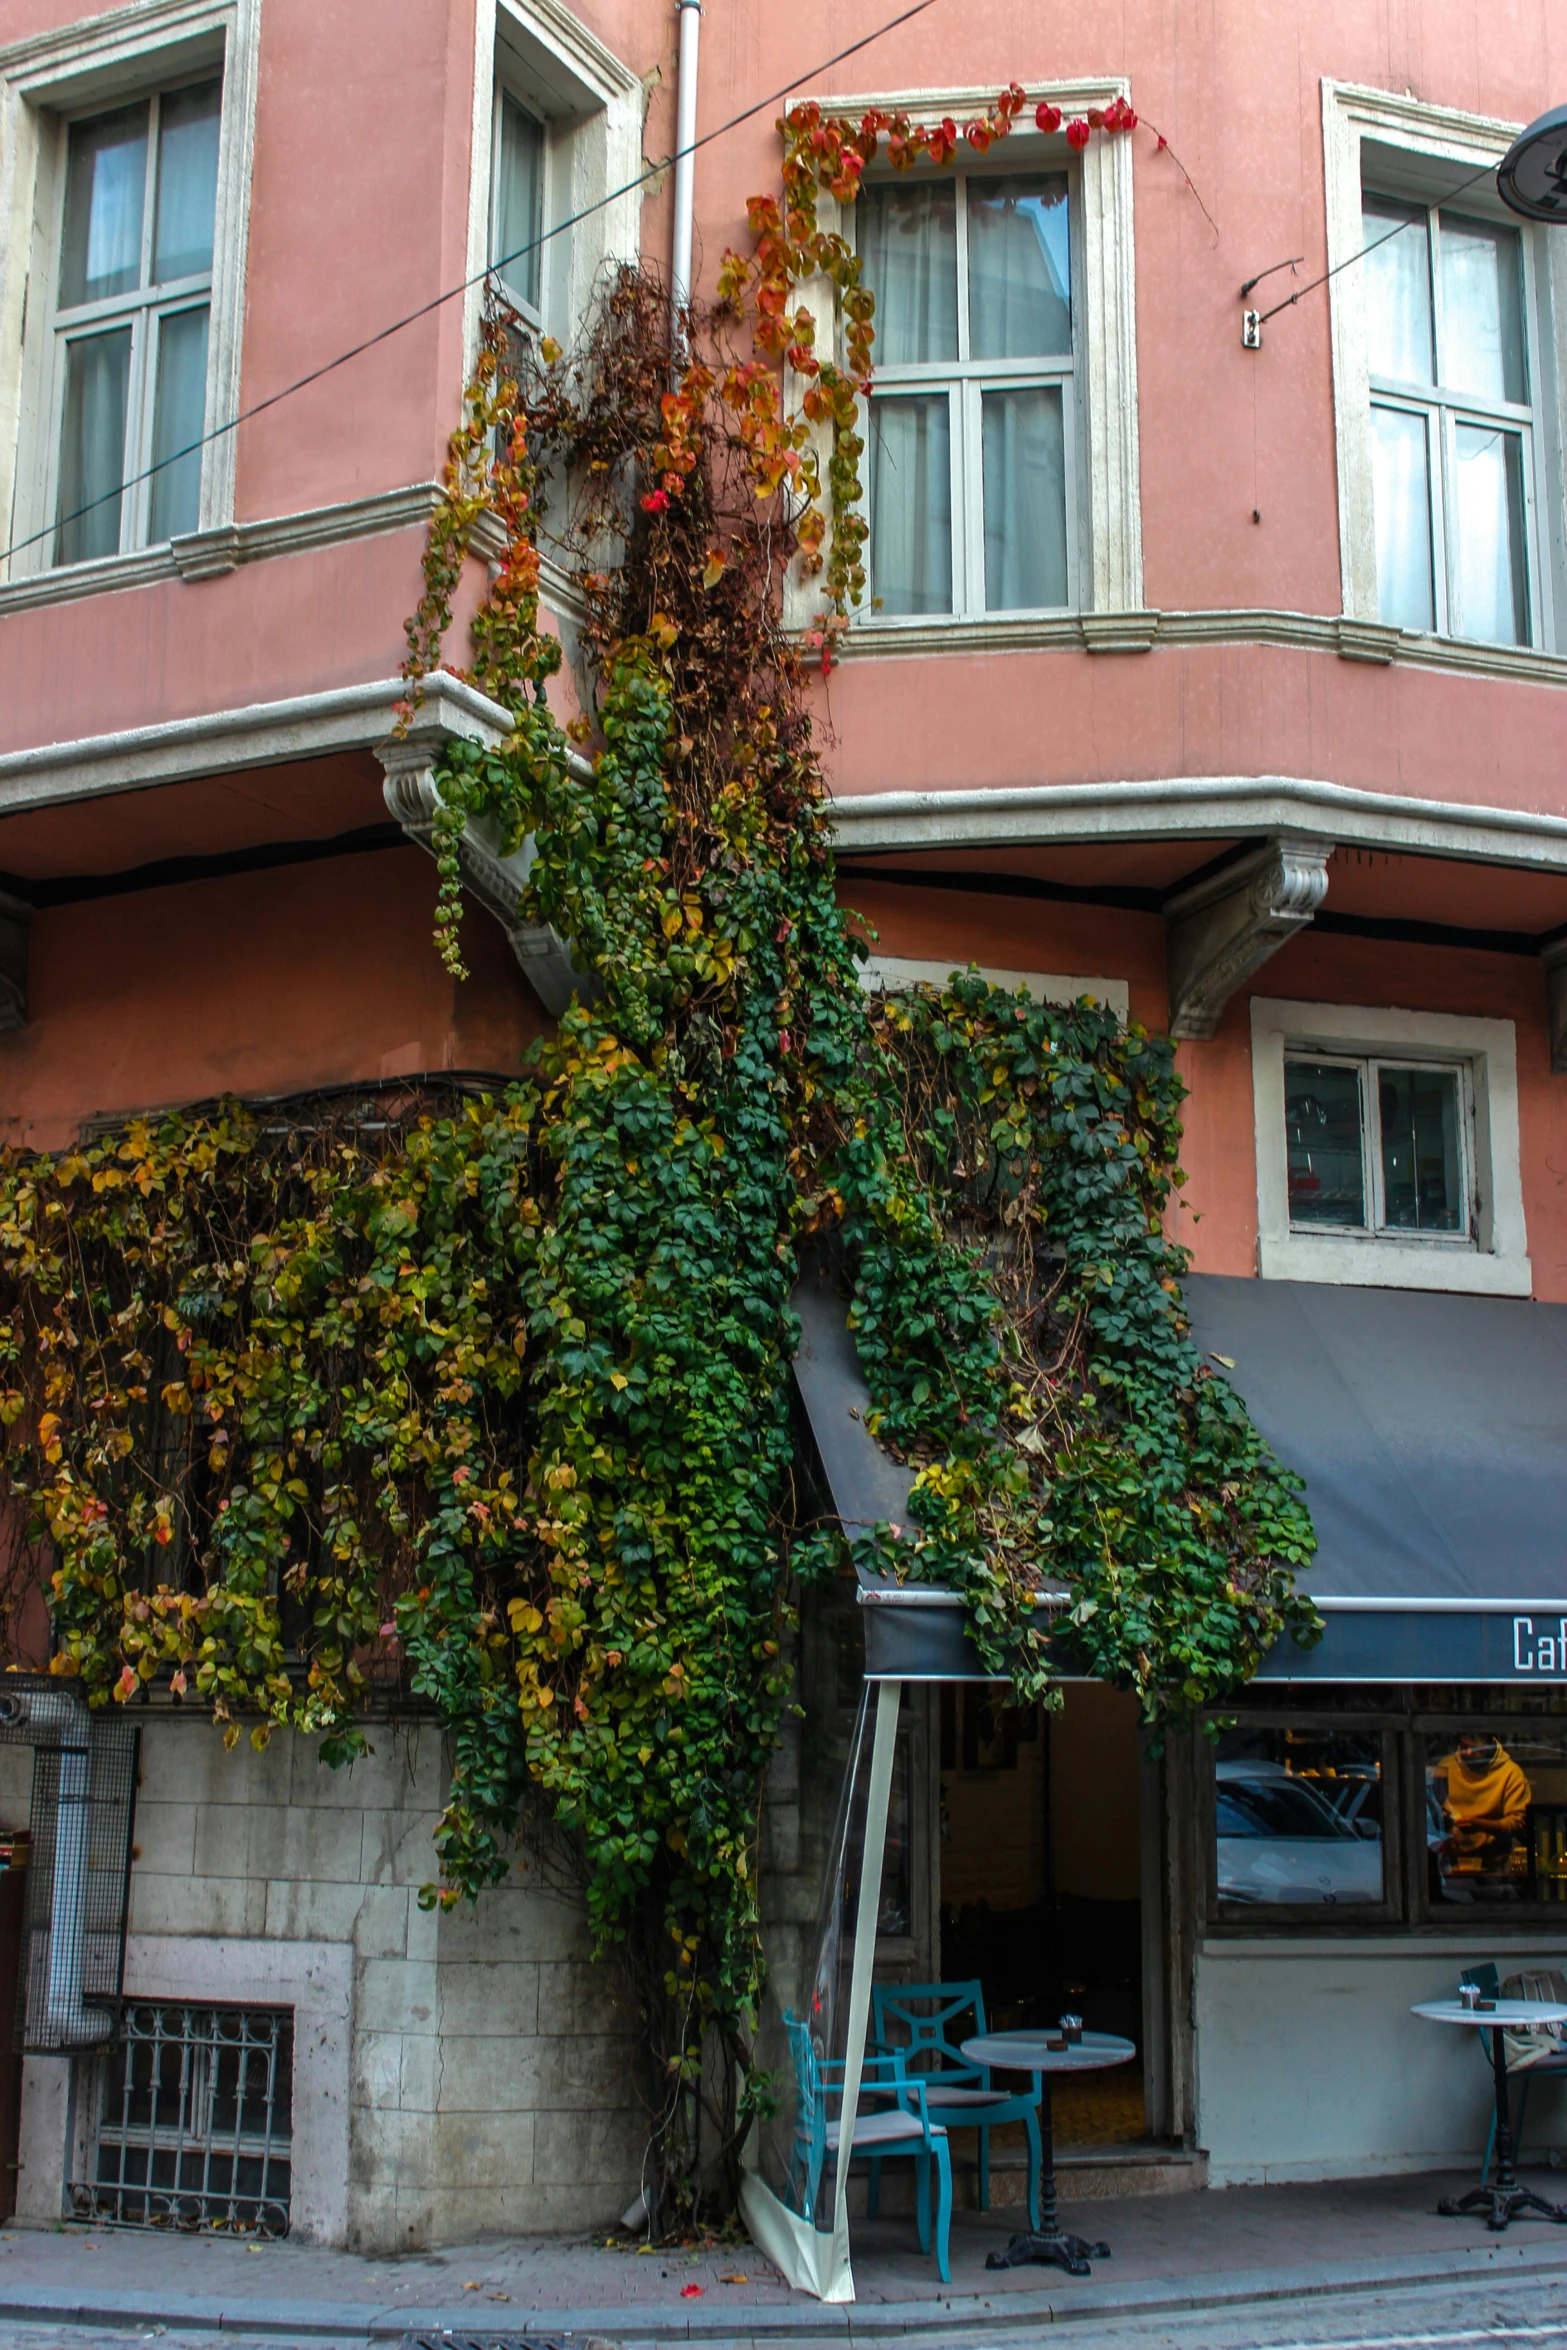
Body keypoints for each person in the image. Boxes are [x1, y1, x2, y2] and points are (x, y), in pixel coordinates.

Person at [1434, 1733, 1532, 1884]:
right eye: (1464, 1746)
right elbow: (1432, 1808)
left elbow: (1519, 1823)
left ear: (1489, 1747)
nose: (1467, 1752)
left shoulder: (1511, 1774)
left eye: (1474, 1748)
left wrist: (1480, 1825)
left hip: (1494, 1863)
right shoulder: (1446, 1767)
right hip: (1449, 1860)